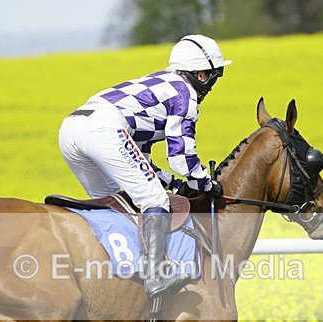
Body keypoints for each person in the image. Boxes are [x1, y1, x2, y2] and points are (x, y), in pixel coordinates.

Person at [59, 34, 231, 298]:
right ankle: (156, 274)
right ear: (201, 74)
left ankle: (116, 275)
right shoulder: (185, 93)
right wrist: (204, 182)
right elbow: (181, 157)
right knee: (154, 199)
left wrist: (177, 186)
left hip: (71, 128)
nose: (212, 85)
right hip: (103, 129)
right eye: (213, 77)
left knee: (118, 203)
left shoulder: (162, 85)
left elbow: (143, 162)